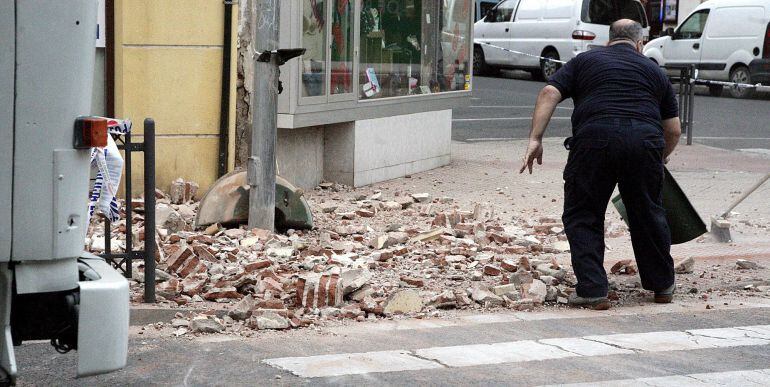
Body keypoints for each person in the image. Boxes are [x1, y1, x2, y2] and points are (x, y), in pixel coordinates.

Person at [519, 19, 682, 310]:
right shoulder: (654, 72)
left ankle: (593, 289)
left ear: (608, 41)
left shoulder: (584, 60)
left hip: (594, 141)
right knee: (648, 212)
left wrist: (535, 138)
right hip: (644, 143)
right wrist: (658, 158)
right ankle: (662, 285)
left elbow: (549, 93)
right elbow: (673, 130)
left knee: (583, 213)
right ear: (640, 43)